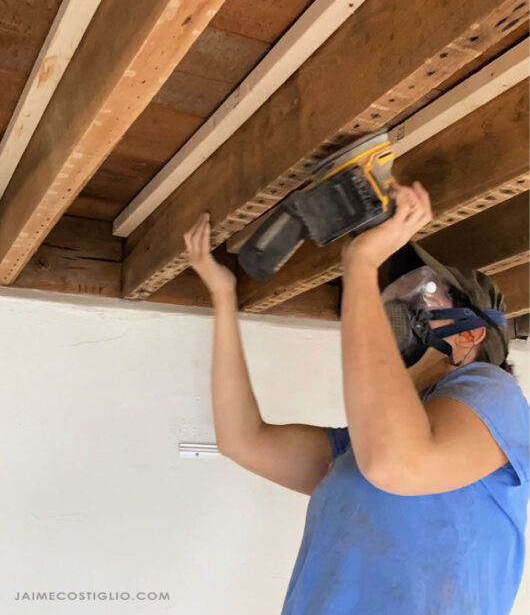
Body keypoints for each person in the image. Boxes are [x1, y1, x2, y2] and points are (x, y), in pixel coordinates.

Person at [184, 182, 529, 615]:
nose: (395, 304)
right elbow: (243, 439)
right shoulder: (358, 448)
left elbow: (395, 464)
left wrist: (362, 264)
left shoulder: (493, 394)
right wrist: (222, 294)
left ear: (467, 333)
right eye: (390, 294)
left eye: (421, 294)